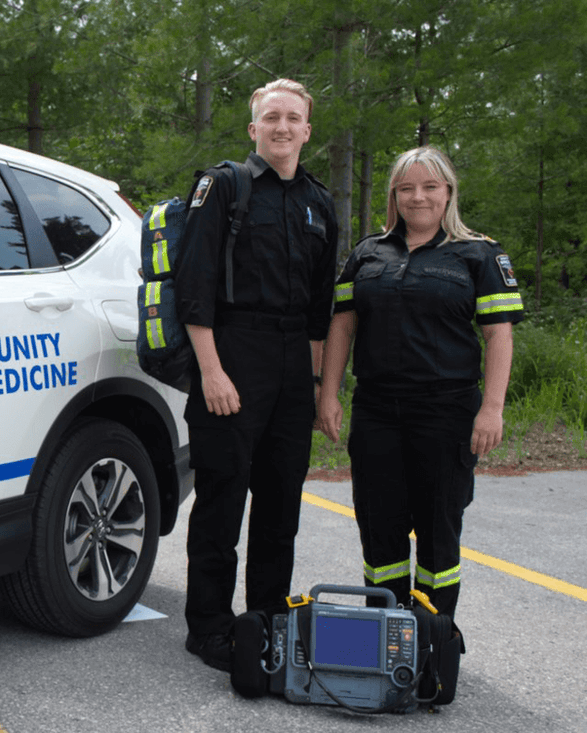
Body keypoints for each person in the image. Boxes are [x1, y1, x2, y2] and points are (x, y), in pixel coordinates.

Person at [316, 146, 524, 619]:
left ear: (448, 191)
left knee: (438, 531)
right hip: (376, 413)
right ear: (394, 194)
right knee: (379, 527)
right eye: (406, 188)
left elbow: (498, 334)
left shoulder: (479, 254)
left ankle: (433, 644)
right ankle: (388, 642)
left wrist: (491, 409)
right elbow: (342, 326)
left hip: (446, 413)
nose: (418, 197)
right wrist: (328, 394)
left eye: (430, 186)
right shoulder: (368, 252)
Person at [175, 78, 339, 670]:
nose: (283, 126)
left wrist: (323, 390)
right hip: (233, 354)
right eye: (271, 117)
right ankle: (210, 627)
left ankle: (266, 617)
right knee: (222, 496)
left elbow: (322, 311)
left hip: (294, 362)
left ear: (307, 131)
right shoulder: (224, 186)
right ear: (253, 128)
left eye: (294, 118)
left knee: (280, 502)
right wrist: (212, 373)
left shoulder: (321, 204)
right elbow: (193, 289)